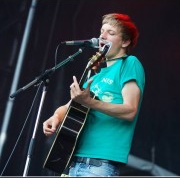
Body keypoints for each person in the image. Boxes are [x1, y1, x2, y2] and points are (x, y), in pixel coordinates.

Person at [43, 13, 145, 176]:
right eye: (101, 31)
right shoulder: (95, 77)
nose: (102, 36)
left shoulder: (129, 63)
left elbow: (130, 110)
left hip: (100, 165)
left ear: (125, 42)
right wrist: (56, 116)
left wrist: (91, 103)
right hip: (72, 162)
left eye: (110, 33)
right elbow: (72, 104)